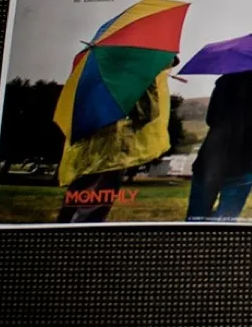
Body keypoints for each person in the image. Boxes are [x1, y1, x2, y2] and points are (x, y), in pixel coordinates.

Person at [56, 56, 178, 223]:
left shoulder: (102, 71)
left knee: (79, 190)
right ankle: (85, 233)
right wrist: (150, 85)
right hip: (114, 147)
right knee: (99, 197)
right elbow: (146, 114)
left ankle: (62, 229)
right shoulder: (139, 77)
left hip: (89, 141)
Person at [186, 68, 252, 221]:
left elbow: (211, 119)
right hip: (245, 159)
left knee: (195, 218)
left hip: (211, 157)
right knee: (225, 221)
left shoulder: (225, 80)